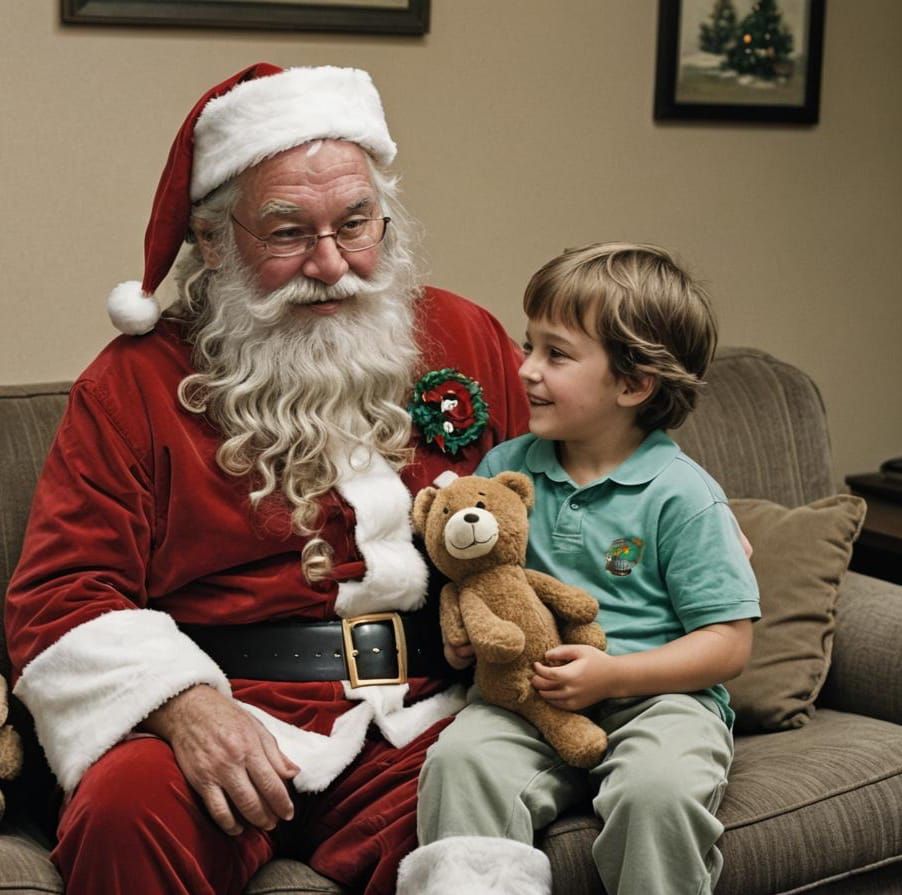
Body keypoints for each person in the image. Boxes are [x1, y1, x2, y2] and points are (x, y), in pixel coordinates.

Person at [4, 63, 529, 895]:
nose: (332, 264)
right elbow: (63, 592)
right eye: (288, 233)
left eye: (356, 223)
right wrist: (180, 705)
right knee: (126, 803)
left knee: (485, 833)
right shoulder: (133, 382)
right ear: (213, 241)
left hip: (428, 717)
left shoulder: (466, 334)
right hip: (230, 714)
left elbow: (571, 487)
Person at [399, 242, 761, 895]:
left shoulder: (682, 493)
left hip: (661, 699)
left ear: (633, 383)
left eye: (556, 353)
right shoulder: (509, 468)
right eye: (527, 344)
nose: (527, 369)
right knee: (459, 761)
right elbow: (472, 573)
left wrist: (614, 674)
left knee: (658, 793)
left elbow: (730, 643)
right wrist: (461, 632)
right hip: (525, 701)